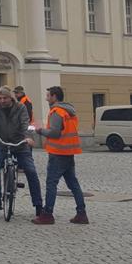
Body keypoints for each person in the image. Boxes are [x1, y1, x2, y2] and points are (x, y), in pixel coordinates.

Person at [32, 86, 88, 226]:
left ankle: (47, 215)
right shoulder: (69, 111)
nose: (46, 98)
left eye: (48, 96)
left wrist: (40, 131)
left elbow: (55, 133)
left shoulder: (57, 112)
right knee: (73, 183)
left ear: (54, 96)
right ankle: (81, 213)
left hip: (58, 153)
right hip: (69, 152)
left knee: (51, 184)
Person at [0, 86, 44, 216]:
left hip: (20, 144)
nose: (1, 100)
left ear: (10, 98)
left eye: (4, 98)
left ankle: (38, 204)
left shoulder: (20, 107)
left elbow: (25, 123)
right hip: (0, 142)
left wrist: (28, 137)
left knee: (31, 170)